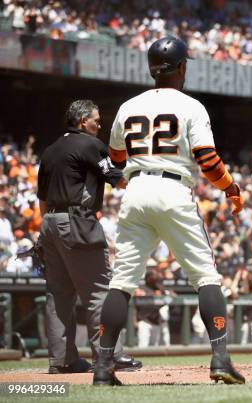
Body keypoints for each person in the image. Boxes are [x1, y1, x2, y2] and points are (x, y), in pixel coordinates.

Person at [93, 37, 245, 386]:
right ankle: (220, 358)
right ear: (182, 67)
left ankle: (102, 368)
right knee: (205, 277)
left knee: (122, 282)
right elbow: (207, 161)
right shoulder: (191, 106)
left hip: (135, 190)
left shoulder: (128, 106)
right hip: (173, 188)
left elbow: (115, 158)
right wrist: (231, 188)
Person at [37, 100, 141, 374]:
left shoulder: (50, 150)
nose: (100, 123)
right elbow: (118, 179)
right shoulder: (90, 144)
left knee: (58, 294)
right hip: (77, 222)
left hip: (49, 223)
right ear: (83, 121)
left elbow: (43, 199)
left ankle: (62, 361)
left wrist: (45, 232)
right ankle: (110, 355)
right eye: (96, 119)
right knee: (99, 292)